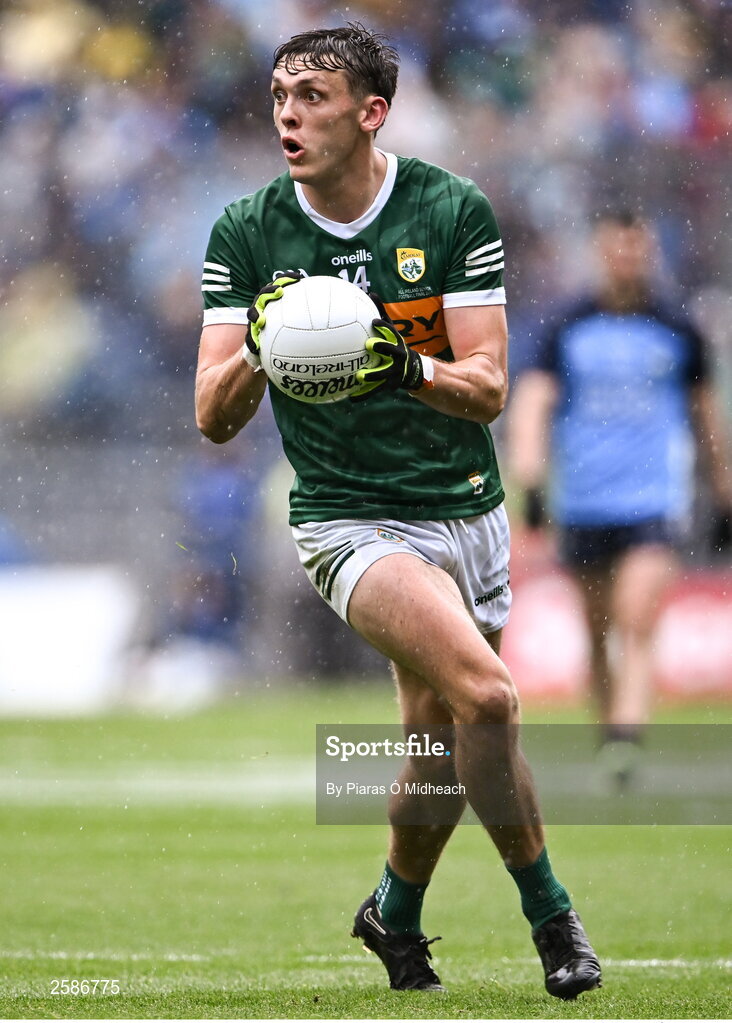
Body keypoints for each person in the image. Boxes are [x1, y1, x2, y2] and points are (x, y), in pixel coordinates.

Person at [195, 23, 601, 998]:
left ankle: (394, 914)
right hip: (345, 521)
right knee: (491, 697)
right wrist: (265, 343)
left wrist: (397, 363)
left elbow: (489, 385)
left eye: (315, 95)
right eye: (281, 92)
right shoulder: (248, 233)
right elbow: (212, 415)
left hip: (465, 510)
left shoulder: (448, 209)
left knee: (439, 744)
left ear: (371, 113)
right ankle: (554, 919)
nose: (289, 111)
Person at [508, 209, 732, 783]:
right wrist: (532, 481)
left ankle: (628, 735)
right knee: (596, 628)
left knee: (638, 616)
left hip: (653, 501)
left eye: (636, 249)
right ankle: (611, 736)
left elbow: (706, 417)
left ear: (650, 252)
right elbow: (533, 404)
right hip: (583, 502)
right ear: (599, 252)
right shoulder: (565, 327)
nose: (627, 260)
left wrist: (724, 486)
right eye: (616, 249)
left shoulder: (678, 328)